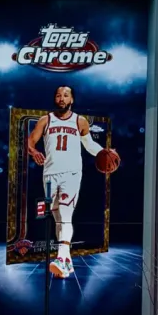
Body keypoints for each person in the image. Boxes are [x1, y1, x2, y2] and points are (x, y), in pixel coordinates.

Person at [28, 86, 120, 279]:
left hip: (71, 173)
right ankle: (67, 262)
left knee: (65, 211)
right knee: (58, 218)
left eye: (66, 95)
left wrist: (105, 152)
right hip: (49, 174)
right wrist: (35, 152)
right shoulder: (46, 120)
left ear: (72, 100)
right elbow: (30, 141)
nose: (61, 98)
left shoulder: (80, 121)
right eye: (58, 95)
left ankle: (61, 258)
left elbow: (89, 145)